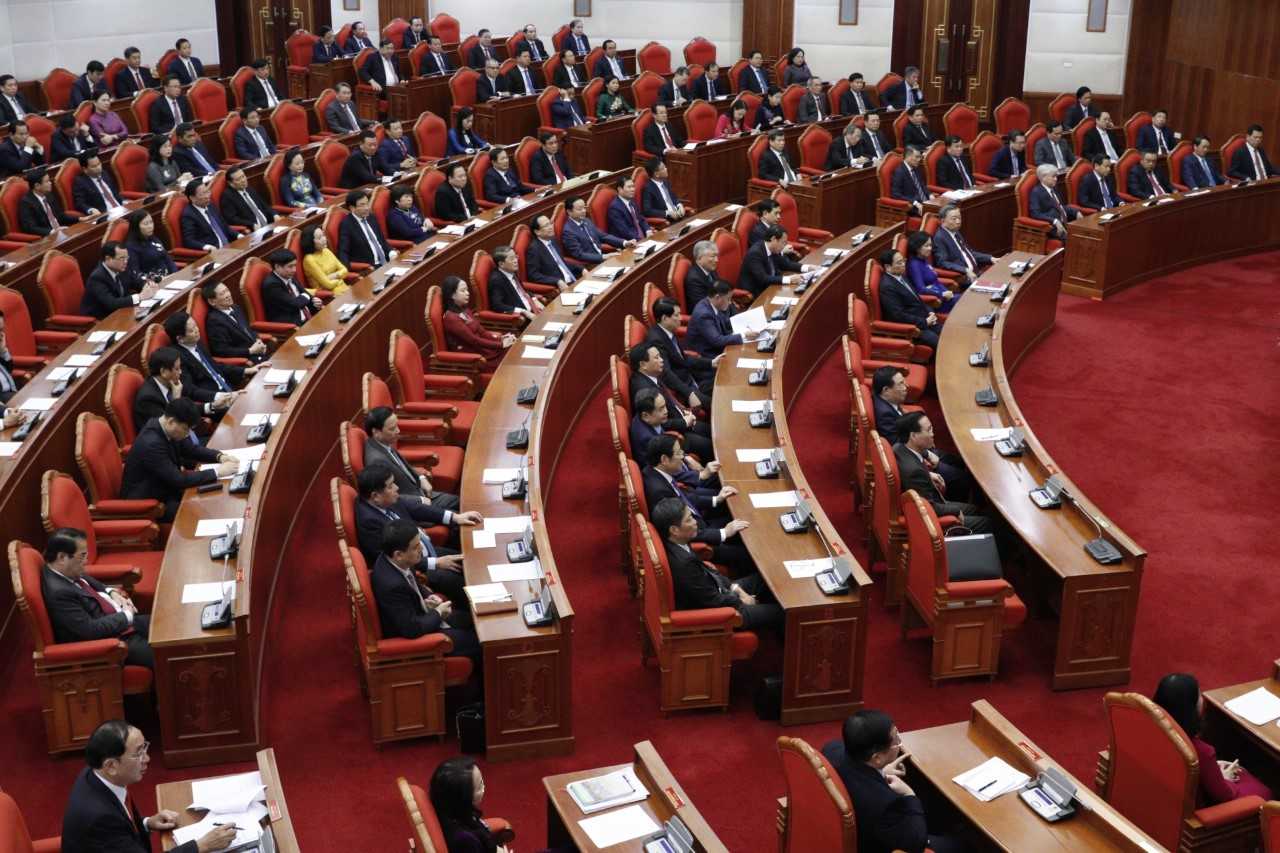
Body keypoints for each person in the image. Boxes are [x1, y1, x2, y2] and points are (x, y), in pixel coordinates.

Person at [62, 719, 237, 853]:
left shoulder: (96, 774)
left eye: (144, 748)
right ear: (111, 766)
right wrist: (201, 845)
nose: (147, 759)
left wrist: (146, 823)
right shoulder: (100, 819)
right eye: (138, 754)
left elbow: (119, 821)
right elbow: (111, 826)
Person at [822, 710, 965, 853]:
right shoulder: (885, 803)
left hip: (858, 813)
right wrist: (909, 794)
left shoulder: (831, 750)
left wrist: (881, 772)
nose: (899, 743)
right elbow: (915, 842)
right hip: (876, 842)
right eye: (896, 739)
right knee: (961, 842)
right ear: (877, 758)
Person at [355, 465, 475, 611]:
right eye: (391, 486)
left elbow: (416, 509)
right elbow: (393, 560)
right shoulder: (369, 522)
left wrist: (455, 517)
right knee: (463, 583)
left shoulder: (385, 500)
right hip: (417, 567)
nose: (397, 488)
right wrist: (436, 563)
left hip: (422, 551)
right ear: (375, 496)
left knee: (470, 559)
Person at [651, 496, 778, 627]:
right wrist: (743, 600)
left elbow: (707, 570)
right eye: (689, 519)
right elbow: (713, 601)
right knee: (782, 612)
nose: (695, 522)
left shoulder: (677, 542)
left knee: (766, 577)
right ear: (674, 530)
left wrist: (737, 589)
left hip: (720, 589)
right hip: (723, 614)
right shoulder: (684, 564)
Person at [1153, 673, 1274, 805]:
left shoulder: (1149, 727)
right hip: (1196, 809)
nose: (1202, 698)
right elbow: (1224, 796)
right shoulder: (1202, 752)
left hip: (1161, 792)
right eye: (1199, 696)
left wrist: (1213, 768)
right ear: (1192, 708)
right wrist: (1224, 779)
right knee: (1265, 791)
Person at [42, 529, 152, 669]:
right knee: (165, 653)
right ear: (62, 557)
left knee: (165, 625)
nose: (86, 561)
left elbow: (88, 580)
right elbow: (90, 630)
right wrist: (127, 615)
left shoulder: (64, 569)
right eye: (83, 556)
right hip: (112, 641)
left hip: (119, 622)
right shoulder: (59, 593)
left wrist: (112, 592)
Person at [371, 519, 480, 661]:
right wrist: (438, 612)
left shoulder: (396, 559)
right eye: (416, 547)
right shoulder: (392, 586)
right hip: (417, 638)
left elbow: (414, 584)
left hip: (424, 613)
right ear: (399, 554)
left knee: (475, 620)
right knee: (479, 640)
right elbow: (411, 629)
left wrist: (428, 596)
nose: (421, 549)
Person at [121, 398, 238, 521]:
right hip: (150, 503)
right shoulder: (152, 444)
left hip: (167, 488)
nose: (187, 434)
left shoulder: (167, 427)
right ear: (171, 421)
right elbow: (178, 479)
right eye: (186, 429)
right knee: (200, 514)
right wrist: (218, 472)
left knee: (213, 498)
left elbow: (191, 449)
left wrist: (220, 456)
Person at [894, 411, 990, 532]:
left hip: (935, 500)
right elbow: (929, 508)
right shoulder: (914, 472)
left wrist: (927, 472)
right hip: (931, 518)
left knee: (975, 509)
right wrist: (955, 511)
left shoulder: (900, 447)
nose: (932, 434)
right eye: (928, 430)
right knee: (988, 523)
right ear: (913, 436)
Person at [363, 406, 462, 507]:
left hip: (421, 493)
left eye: (397, 426)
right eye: (392, 429)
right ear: (376, 432)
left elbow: (403, 467)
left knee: (460, 502)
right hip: (413, 506)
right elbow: (386, 497)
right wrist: (419, 500)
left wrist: (421, 478)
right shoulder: (377, 461)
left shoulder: (382, 442)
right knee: (461, 510)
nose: (398, 431)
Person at [630, 349, 712, 460]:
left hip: (681, 418)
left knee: (713, 431)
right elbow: (658, 422)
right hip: (675, 433)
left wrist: (682, 410)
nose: (662, 360)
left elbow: (668, 403)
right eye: (656, 357)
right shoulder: (643, 389)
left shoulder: (651, 374)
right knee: (710, 445)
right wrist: (683, 422)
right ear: (643, 364)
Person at [164, 309, 265, 397]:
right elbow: (191, 391)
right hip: (215, 399)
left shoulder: (196, 342)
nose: (197, 330)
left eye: (196, 326)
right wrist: (219, 397)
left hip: (230, 389)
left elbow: (215, 366)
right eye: (192, 330)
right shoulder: (178, 359)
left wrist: (247, 370)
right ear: (180, 338)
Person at [429, 757, 516, 853]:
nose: (484, 787)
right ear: (463, 798)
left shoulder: (447, 810)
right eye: (479, 787)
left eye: (482, 781)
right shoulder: (465, 841)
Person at [134, 345, 233, 429]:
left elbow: (188, 407)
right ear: (163, 372)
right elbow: (169, 428)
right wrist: (176, 400)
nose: (180, 372)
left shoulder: (169, 382)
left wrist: (213, 405)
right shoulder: (148, 399)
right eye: (177, 369)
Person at [440, 276, 514, 371]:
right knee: (510, 359)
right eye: (463, 291)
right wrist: (501, 344)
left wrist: (501, 338)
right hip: (475, 357)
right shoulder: (451, 318)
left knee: (513, 348)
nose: (467, 293)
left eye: (467, 290)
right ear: (452, 295)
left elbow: (482, 332)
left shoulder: (465, 310)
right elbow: (474, 340)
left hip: (483, 349)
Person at [647, 298, 716, 395]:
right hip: (686, 387)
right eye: (677, 315)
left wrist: (711, 362)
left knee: (723, 377)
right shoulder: (656, 341)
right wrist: (689, 394)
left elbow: (683, 358)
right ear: (664, 318)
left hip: (692, 376)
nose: (681, 318)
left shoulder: (668, 330)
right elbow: (667, 374)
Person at [878, 249, 939, 350]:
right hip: (912, 329)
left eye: (903, 260)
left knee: (948, 332)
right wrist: (924, 322)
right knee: (938, 341)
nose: (903, 264)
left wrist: (930, 312)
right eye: (899, 263)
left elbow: (917, 299)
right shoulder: (887, 287)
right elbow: (898, 316)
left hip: (924, 319)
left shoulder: (902, 276)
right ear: (888, 267)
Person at [80, 241, 157, 319]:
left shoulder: (122, 267)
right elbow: (112, 303)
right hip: (102, 319)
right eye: (122, 258)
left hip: (121, 311)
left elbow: (137, 282)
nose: (126, 261)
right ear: (108, 259)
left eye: (127, 257)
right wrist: (139, 297)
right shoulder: (97, 278)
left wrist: (148, 286)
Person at [203, 281, 269, 362]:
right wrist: (250, 351)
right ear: (212, 301)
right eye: (222, 294)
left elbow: (248, 330)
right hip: (246, 359)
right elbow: (222, 350)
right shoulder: (214, 321)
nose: (228, 295)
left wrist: (259, 341)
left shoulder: (235, 308)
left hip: (258, 352)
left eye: (227, 290)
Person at [686, 280, 754, 357]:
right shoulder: (704, 315)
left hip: (720, 347)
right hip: (707, 354)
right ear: (717, 297)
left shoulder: (715, 304)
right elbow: (717, 341)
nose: (730, 302)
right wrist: (743, 335)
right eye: (728, 299)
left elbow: (726, 323)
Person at [931, 204, 992, 282]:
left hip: (977, 272)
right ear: (943, 221)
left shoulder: (955, 232)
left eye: (959, 218)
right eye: (954, 219)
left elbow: (969, 253)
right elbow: (942, 262)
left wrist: (990, 258)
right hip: (965, 279)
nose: (958, 221)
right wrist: (965, 270)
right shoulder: (940, 238)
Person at [261, 248, 322, 326]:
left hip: (309, 317)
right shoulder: (272, 285)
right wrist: (307, 296)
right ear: (277, 267)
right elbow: (295, 304)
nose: (294, 270)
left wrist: (315, 301)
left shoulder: (288, 275)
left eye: (295, 265)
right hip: (293, 325)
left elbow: (304, 293)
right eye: (290, 266)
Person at [561, 195, 627, 263]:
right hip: (590, 264)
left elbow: (603, 236)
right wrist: (603, 257)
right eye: (580, 209)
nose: (584, 211)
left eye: (584, 207)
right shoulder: (568, 232)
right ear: (569, 211)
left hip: (602, 258)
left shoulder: (586, 220)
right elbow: (579, 254)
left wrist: (624, 243)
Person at [338, 189, 394, 267]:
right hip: (370, 267)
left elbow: (381, 240)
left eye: (367, 203)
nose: (367, 208)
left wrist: (391, 252)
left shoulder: (371, 217)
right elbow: (343, 253)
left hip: (387, 261)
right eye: (362, 205)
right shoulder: (347, 225)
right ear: (352, 208)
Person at [740, 225, 801, 297]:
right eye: (783, 243)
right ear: (773, 239)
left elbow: (786, 264)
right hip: (756, 294)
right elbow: (763, 278)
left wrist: (808, 267)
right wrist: (790, 279)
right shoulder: (755, 253)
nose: (784, 246)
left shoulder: (773, 249)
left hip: (770, 287)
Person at [487, 244, 543, 321]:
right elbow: (497, 305)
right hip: (525, 319)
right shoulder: (497, 280)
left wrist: (534, 299)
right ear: (501, 264)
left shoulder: (510, 271)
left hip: (534, 310)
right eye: (511, 259)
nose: (516, 261)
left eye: (515, 257)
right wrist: (522, 311)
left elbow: (523, 291)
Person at [19, 167, 80, 236]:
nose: (50, 183)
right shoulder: (27, 203)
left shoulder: (49, 195)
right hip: (46, 237)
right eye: (47, 181)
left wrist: (79, 219)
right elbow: (30, 228)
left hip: (61, 231)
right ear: (37, 186)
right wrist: (52, 231)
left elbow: (61, 216)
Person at [525, 214, 582, 288]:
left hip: (573, 279)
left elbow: (561, 262)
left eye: (550, 223)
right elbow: (534, 275)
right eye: (546, 225)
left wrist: (581, 269)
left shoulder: (552, 240)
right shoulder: (534, 249)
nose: (551, 227)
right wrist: (556, 281)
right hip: (561, 286)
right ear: (537, 232)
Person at [904, 232, 957, 311]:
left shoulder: (923, 259)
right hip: (936, 302)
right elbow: (921, 289)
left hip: (945, 297)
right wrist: (942, 294)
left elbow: (935, 281)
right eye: (926, 246)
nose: (930, 248)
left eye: (930, 245)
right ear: (917, 247)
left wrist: (947, 292)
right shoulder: (914, 265)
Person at [179, 179, 234, 251]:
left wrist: (238, 235)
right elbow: (189, 241)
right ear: (192, 198)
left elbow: (224, 226)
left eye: (207, 192)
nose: (207, 196)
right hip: (215, 251)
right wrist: (206, 247)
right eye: (202, 194)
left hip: (230, 245)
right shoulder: (189, 215)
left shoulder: (210, 205)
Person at [1029, 164, 1079, 241]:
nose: (1056, 179)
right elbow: (1035, 214)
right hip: (1053, 228)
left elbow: (1061, 207)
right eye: (1053, 176)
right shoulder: (1036, 192)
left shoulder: (1054, 187)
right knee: (1077, 240)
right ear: (1043, 177)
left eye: (1056, 176)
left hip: (1066, 222)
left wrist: (1076, 212)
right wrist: (1054, 221)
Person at [123, 210, 178, 280]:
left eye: (151, 222)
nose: (150, 226)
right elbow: (136, 274)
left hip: (170, 278)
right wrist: (160, 279)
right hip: (154, 283)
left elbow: (168, 259)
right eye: (146, 224)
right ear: (136, 227)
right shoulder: (131, 247)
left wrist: (175, 274)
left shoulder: (153, 238)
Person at [221, 165, 277, 231]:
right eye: (238, 179)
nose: (243, 180)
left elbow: (264, 205)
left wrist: (274, 214)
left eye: (243, 176)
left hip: (269, 224)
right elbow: (233, 219)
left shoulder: (249, 188)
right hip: (254, 230)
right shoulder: (227, 197)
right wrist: (251, 225)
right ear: (230, 183)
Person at [301, 223, 349, 294]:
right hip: (330, 295)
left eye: (323, 235)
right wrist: (339, 279)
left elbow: (345, 270)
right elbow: (328, 284)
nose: (324, 239)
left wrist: (334, 276)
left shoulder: (326, 251)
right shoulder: (309, 260)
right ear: (310, 241)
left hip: (344, 287)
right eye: (319, 238)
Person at [642, 158, 688, 223]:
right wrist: (667, 213)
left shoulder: (665, 182)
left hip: (679, 216)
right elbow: (647, 210)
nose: (666, 169)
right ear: (656, 174)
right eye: (663, 168)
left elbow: (674, 197)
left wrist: (679, 205)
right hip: (668, 221)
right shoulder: (648, 188)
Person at [606, 176, 651, 242]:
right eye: (629, 187)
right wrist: (641, 240)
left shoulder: (631, 201)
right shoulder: (615, 208)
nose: (633, 189)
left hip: (642, 238)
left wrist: (648, 230)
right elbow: (624, 231)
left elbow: (641, 218)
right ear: (620, 189)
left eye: (633, 186)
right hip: (630, 242)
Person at [891, 146, 932, 217]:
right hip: (913, 207)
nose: (919, 160)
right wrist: (914, 202)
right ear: (908, 157)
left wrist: (930, 195)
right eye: (917, 157)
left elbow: (922, 185)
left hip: (926, 203)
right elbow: (896, 195)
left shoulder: (916, 168)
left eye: (920, 157)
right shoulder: (899, 172)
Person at [684, 240, 724, 306]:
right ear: (699, 258)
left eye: (716, 256)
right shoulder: (694, 280)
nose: (716, 260)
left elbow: (720, 289)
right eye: (712, 256)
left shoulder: (710, 269)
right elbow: (703, 306)